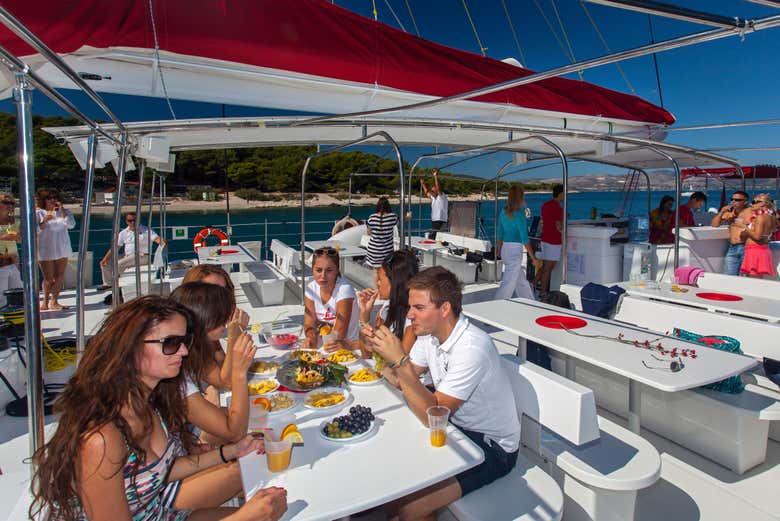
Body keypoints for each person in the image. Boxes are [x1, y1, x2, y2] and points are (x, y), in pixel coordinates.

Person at [29, 295, 288, 521]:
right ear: (131, 349)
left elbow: (161, 470)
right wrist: (244, 518)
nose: (185, 351)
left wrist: (231, 451)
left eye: (184, 340)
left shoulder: (149, 402)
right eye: (171, 343)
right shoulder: (102, 439)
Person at [362, 267, 520, 520]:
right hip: (456, 428)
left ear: (444, 309)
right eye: (410, 307)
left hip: (492, 447)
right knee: (392, 477)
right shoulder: (431, 337)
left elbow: (433, 416)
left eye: (419, 308)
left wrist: (399, 361)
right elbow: (400, 379)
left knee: (412, 508)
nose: (410, 314)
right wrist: (383, 353)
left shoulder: (471, 348)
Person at [170, 282, 256, 445]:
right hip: (187, 446)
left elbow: (221, 381)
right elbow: (234, 432)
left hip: (189, 435)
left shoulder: (193, 349)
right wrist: (239, 370)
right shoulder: (175, 376)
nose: (225, 323)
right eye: (220, 318)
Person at [357, 249, 420, 358]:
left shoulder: (413, 321)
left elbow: (399, 364)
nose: (377, 283)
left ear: (394, 283)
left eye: (380, 279)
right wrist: (364, 318)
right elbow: (368, 355)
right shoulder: (386, 309)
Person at [303, 247, 360, 352]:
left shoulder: (344, 289)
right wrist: (311, 337)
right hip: (323, 346)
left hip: (347, 348)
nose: (323, 276)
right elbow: (309, 323)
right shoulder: (311, 288)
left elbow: (339, 333)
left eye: (329, 270)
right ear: (312, 270)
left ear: (337, 270)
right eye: (318, 270)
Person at [495, 184, 540, 301]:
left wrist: (499, 250)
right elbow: (524, 238)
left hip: (505, 249)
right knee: (508, 285)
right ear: (521, 197)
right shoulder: (519, 214)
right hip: (515, 251)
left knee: (521, 282)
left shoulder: (503, 212)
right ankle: (496, 306)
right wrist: (533, 258)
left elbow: (500, 234)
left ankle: (530, 301)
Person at [99, 212, 165, 290]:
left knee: (119, 264)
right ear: (126, 221)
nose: (133, 222)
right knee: (106, 263)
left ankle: (121, 286)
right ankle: (108, 284)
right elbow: (115, 247)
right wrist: (105, 259)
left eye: (135, 220)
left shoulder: (146, 230)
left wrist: (162, 242)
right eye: (130, 220)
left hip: (142, 256)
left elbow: (156, 239)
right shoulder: (123, 233)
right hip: (128, 256)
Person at [35, 188, 75, 310]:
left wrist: (62, 210)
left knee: (59, 275)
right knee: (48, 278)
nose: (52, 200)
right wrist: (44, 221)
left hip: (62, 248)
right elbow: (34, 230)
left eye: (54, 197)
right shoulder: (38, 213)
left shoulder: (64, 212)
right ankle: (45, 301)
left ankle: (55, 301)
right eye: (49, 198)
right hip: (45, 249)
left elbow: (71, 225)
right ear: (43, 200)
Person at [711, 190, 751, 276]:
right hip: (732, 247)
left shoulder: (750, 213)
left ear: (745, 201)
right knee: (729, 275)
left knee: (744, 277)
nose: (734, 201)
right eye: (732, 199)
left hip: (746, 247)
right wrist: (722, 212)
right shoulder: (730, 213)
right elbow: (714, 224)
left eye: (737, 200)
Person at [739, 193, 778, 278]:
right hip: (760, 249)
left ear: (763, 203)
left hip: (755, 250)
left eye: (754, 202)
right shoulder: (770, 217)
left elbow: (757, 236)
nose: (751, 204)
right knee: (757, 280)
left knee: (753, 280)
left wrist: (745, 227)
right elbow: (766, 235)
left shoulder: (761, 217)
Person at [534, 184, 564, 294]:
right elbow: (558, 226)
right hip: (554, 241)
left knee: (546, 266)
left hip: (545, 239)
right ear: (561, 194)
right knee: (548, 268)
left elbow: (545, 221)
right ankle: (542, 293)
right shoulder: (558, 208)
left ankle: (533, 285)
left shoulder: (545, 205)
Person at [0, 193, 21, 307]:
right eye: (5, 203)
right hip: (1, 261)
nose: (9, 205)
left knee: (17, 291)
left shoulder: (16, 221)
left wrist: (18, 238)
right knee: (1, 296)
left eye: (12, 203)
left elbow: (23, 239)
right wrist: (4, 237)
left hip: (13, 261)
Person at [365, 197, 398, 269]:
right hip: (387, 252)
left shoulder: (372, 217)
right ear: (388, 206)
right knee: (385, 273)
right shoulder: (393, 217)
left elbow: (369, 233)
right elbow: (403, 220)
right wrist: (408, 216)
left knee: (376, 273)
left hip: (374, 251)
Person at [420, 168, 448, 239]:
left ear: (436, 191)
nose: (431, 192)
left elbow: (438, 187)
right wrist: (423, 184)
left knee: (435, 236)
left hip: (441, 219)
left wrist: (435, 176)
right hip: (435, 219)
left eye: (432, 191)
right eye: (431, 191)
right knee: (435, 235)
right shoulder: (433, 197)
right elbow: (426, 192)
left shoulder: (442, 196)